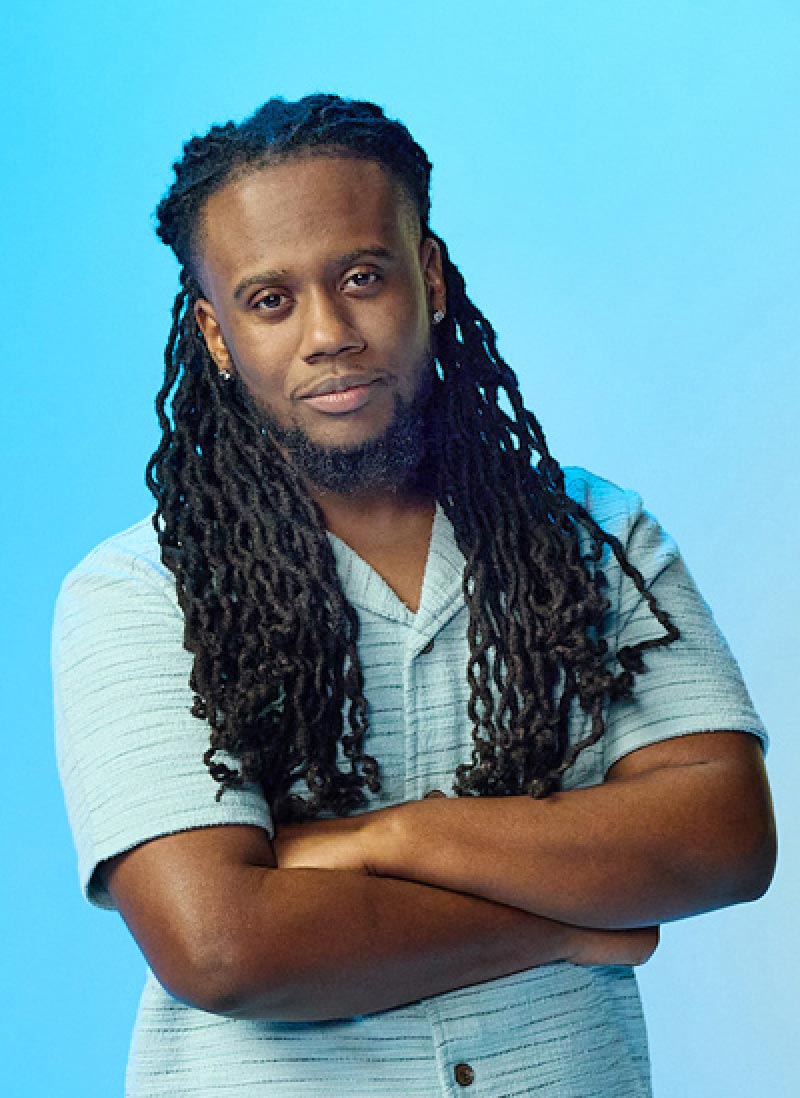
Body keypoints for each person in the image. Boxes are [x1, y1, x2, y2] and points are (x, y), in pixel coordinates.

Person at [52, 93, 776, 1097]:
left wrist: (388, 838)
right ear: (217, 338)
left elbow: (722, 839)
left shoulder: (596, 536)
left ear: (427, 278)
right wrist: (564, 917)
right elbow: (220, 947)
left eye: (361, 277)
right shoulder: (138, 592)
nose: (328, 334)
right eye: (270, 302)